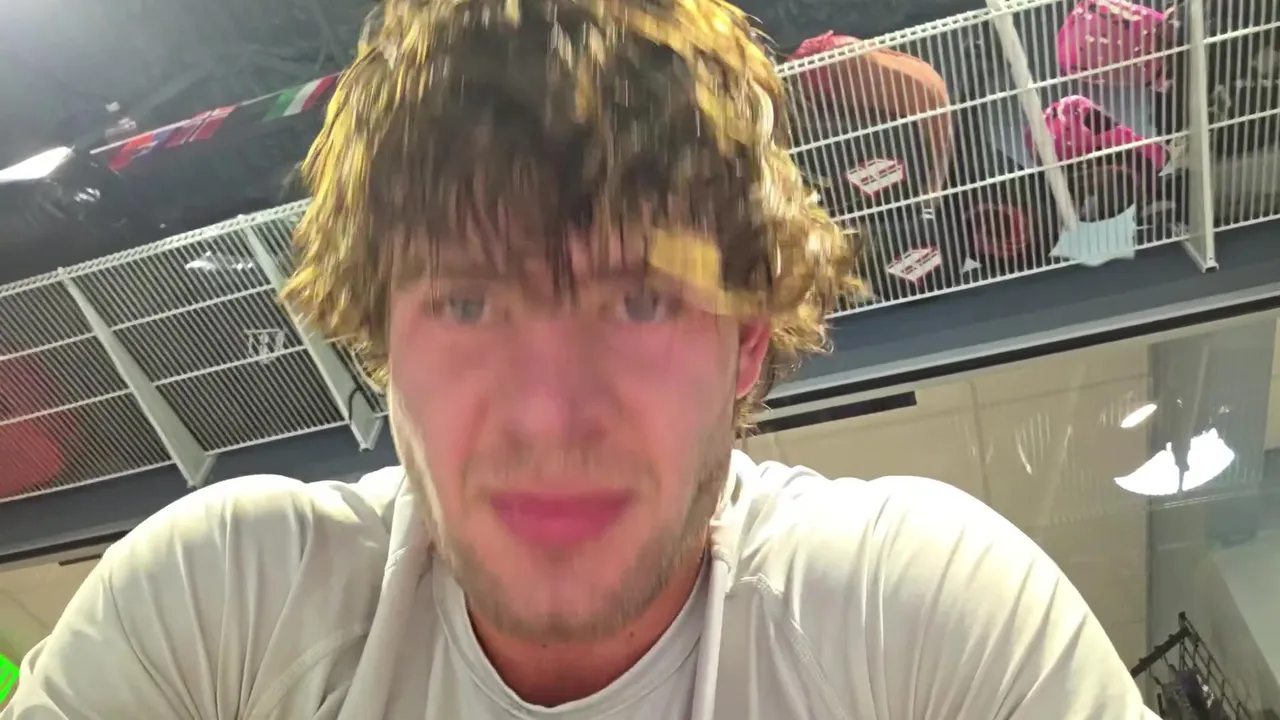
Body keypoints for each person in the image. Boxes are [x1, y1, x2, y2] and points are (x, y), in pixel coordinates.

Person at [2, 0, 1158, 717]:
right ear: (381, 343)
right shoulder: (222, 604)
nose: (549, 414)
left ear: (745, 344)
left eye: (641, 300)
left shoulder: (919, 617)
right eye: (466, 302)